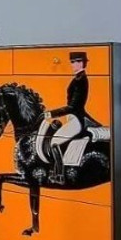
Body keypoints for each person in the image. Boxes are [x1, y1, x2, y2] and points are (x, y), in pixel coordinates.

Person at [45, 51, 90, 183]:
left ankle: (59, 175)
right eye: (72, 62)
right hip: (72, 118)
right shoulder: (77, 79)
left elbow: (73, 107)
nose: (74, 65)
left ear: (83, 63)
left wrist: (51, 113)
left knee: (54, 142)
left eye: (77, 62)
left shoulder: (81, 80)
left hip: (76, 119)